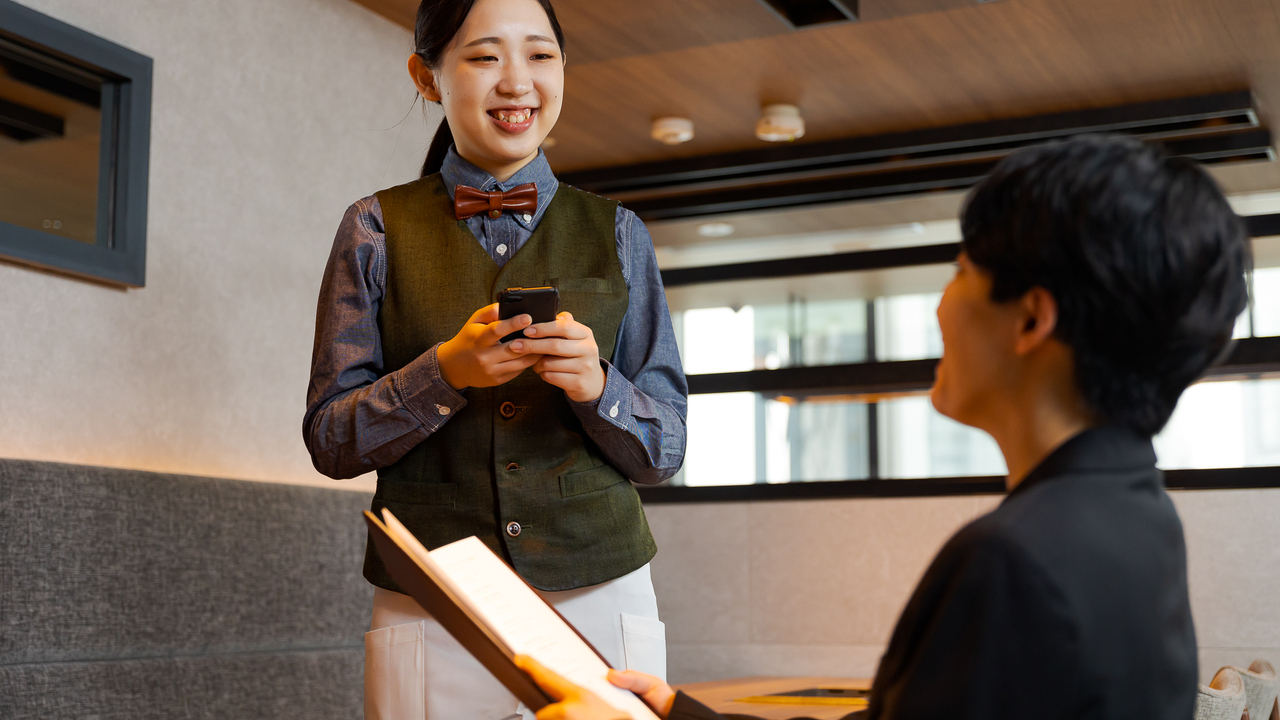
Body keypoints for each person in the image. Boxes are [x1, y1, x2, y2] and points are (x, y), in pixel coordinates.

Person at [517, 135, 1251, 720]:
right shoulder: (1136, 513)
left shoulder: (1014, 562)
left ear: (1031, 319)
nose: (940, 305)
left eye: (961, 270)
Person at [302, 0, 687, 717]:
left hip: (600, 589)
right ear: (427, 76)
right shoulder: (374, 227)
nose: (517, 82)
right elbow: (330, 438)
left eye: (540, 56)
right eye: (485, 57)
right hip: (432, 596)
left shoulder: (621, 232)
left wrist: (597, 387)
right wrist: (443, 373)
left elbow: (665, 449)